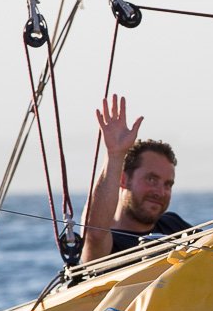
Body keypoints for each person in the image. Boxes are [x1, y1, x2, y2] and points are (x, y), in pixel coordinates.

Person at [80, 94, 193, 263]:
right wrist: (115, 155)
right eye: (151, 180)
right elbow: (95, 235)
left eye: (168, 184)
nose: (160, 192)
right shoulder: (108, 243)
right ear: (124, 180)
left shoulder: (174, 226)